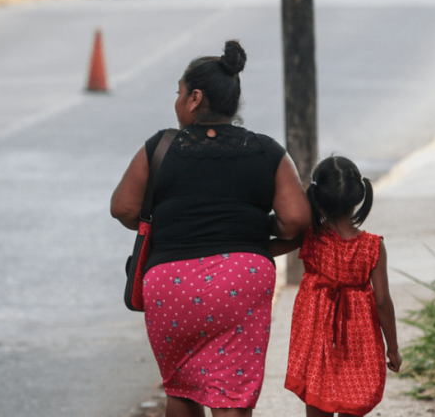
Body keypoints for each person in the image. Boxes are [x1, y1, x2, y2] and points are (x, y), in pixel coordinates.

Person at [110, 40, 311, 417]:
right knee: (230, 396)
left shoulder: (161, 147)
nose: (178, 100)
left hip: (170, 284)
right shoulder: (266, 150)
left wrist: (174, 222)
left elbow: (123, 207)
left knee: (180, 391)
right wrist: (249, 231)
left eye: (179, 92)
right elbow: (296, 221)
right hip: (240, 280)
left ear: (194, 98)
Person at [285, 156, 402, 417]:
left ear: (316, 197)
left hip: (317, 336)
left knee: (318, 396)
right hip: (360, 339)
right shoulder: (373, 246)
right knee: (354, 396)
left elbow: (271, 245)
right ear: (359, 195)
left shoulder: (311, 236)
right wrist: (392, 347)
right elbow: (383, 301)